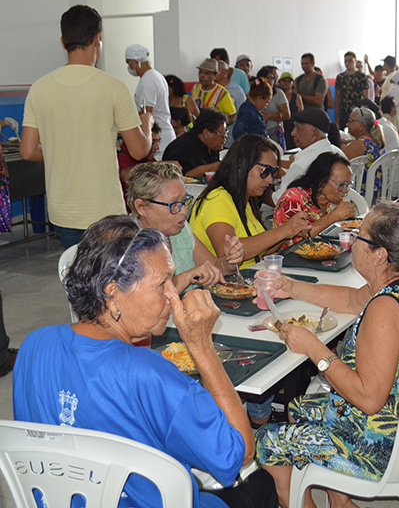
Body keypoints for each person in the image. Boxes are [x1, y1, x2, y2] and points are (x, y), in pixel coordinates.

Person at [13, 215, 278, 508]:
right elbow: (239, 454)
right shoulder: (150, 374)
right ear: (112, 294)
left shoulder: (33, 345)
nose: (173, 295)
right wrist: (202, 346)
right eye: (162, 283)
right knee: (261, 484)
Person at [255, 203, 399, 507]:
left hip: (387, 447)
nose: (353, 241)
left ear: (380, 255)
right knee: (299, 407)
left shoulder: (385, 309)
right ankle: (341, 501)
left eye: (359, 236)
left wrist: (313, 349)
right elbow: (349, 298)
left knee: (267, 441)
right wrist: (291, 287)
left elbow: (369, 399)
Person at [20, 4, 153, 249]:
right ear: (97, 39)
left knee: (77, 276)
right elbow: (138, 151)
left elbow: (27, 151)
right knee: (109, 282)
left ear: (63, 42)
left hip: (62, 211)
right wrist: (146, 124)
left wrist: (60, 149)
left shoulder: (39, 88)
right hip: (104, 211)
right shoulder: (114, 87)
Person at [191, 135, 311, 268]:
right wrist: (282, 231)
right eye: (265, 171)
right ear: (241, 165)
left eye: (274, 172)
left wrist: (288, 232)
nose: (270, 180)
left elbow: (259, 250)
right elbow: (228, 252)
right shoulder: (217, 199)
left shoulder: (245, 199)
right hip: (222, 285)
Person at [128, 162, 243, 292]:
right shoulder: (129, 244)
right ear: (141, 207)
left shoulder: (181, 230)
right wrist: (188, 276)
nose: (183, 211)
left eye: (184, 201)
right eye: (174, 204)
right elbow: (147, 297)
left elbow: (215, 266)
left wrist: (230, 261)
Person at [273, 153, 356, 248]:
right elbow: (293, 245)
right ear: (321, 180)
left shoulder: (325, 199)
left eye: (348, 184)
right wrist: (333, 217)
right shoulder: (293, 198)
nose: (346, 190)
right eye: (341, 185)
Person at [272, 109, 347, 202]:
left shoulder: (302, 164)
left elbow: (280, 200)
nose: (293, 133)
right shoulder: (338, 152)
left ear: (314, 133)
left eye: (298, 129)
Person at [125, 43, 176, 158]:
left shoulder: (147, 81)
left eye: (129, 63)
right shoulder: (156, 76)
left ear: (135, 61)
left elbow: (148, 115)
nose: (129, 67)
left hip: (158, 139)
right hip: (164, 135)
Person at [162, 108, 226, 177]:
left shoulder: (211, 147)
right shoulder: (181, 148)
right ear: (206, 133)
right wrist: (209, 168)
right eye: (222, 134)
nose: (225, 137)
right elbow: (178, 177)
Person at [342, 106, 385, 196]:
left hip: (360, 194)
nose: (347, 124)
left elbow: (339, 162)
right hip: (374, 192)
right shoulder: (371, 141)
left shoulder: (359, 145)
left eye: (351, 120)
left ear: (361, 125)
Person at [118, 122, 161, 199]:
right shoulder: (122, 156)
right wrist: (158, 166)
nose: (157, 147)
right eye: (152, 142)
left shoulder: (148, 158)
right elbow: (126, 177)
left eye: (158, 142)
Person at [191, 58, 237, 125]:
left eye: (206, 73)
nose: (202, 76)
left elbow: (233, 116)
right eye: (200, 72)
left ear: (215, 76)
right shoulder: (195, 88)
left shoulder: (222, 92)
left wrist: (219, 127)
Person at [335, 51, 370, 128]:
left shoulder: (362, 77)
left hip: (358, 113)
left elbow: (366, 98)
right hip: (344, 113)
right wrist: (337, 116)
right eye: (346, 61)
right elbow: (338, 97)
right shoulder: (340, 77)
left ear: (355, 61)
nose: (348, 63)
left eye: (350, 60)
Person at [231, 77, 272, 141]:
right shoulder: (248, 112)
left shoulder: (250, 110)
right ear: (259, 98)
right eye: (266, 102)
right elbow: (237, 131)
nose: (266, 105)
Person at [277, 71, 304, 150]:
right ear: (279, 82)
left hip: (293, 128)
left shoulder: (297, 97)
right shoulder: (276, 96)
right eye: (284, 80)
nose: (286, 83)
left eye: (289, 81)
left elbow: (301, 115)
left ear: (292, 83)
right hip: (280, 128)